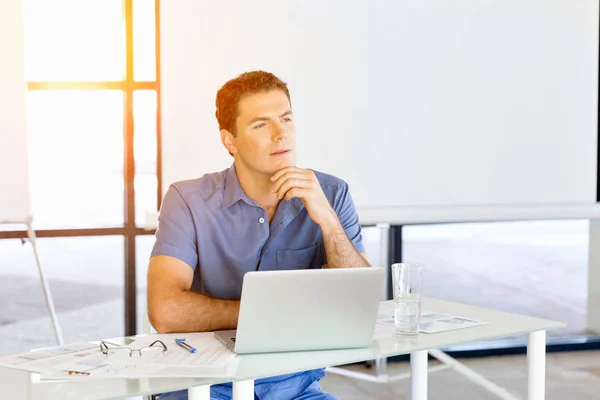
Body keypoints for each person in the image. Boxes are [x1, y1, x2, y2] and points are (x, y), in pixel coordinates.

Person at [149, 70, 370, 400]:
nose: (281, 134)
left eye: (286, 119)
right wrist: (271, 313)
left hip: (296, 388)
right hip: (205, 386)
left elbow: (359, 303)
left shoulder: (332, 194)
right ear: (230, 141)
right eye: (261, 124)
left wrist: (327, 221)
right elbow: (165, 312)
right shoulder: (188, 200)